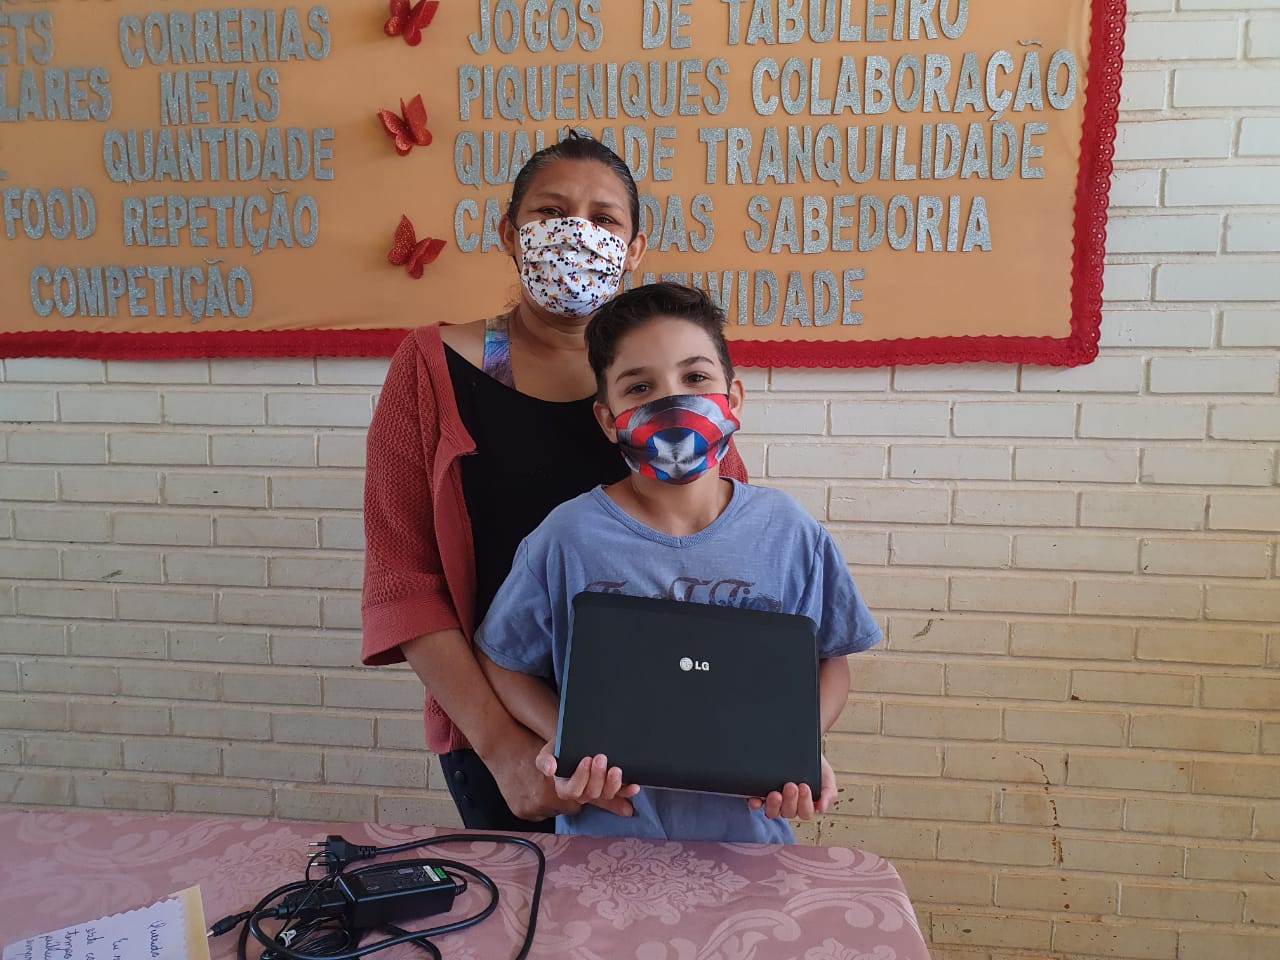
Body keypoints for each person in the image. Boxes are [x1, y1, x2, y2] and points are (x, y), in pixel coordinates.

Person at [360, 134, 750, 833]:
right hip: (500, 739)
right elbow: (403, 581)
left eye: (605, 219)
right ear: (510, 232)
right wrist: (506, 750)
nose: (578, 233)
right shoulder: (430, 370)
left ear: (633, 248)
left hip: (664, 729)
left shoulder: (669, 386)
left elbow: (729, 544)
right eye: (551, 211)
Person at [474, 282, 882, 843]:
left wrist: (797, 746)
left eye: (695, 378)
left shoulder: (790, 533)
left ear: (733, 397)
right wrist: (564, 738)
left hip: (751, 851)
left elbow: (831, 658)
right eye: (640, 387)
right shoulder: (566, 538)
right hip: (601, 851)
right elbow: (503, 659)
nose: (671, 402)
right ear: (606, 418)